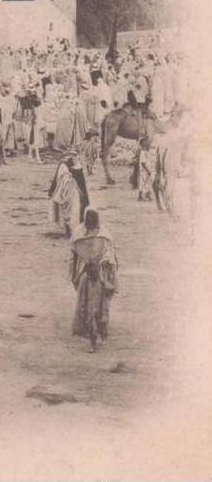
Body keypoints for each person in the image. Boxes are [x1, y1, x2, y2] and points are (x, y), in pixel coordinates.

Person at [70, 208, 119, 352]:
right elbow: (111, 260)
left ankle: (98, 335)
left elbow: (74, 259)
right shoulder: (102, 237)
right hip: (94, 278)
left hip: (95, 278)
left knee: (94, 308)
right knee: (96, 308)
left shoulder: (81, 237)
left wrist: (77, 275)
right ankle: (96, 336)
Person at [48, 154, 89, 236]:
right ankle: (68, 229)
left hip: (72, 192)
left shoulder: (72, 167)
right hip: (65, 192)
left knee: (72, 211)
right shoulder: (64, 166)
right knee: (68, 211)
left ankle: (70, 229)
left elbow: (81, 184)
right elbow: (56, 180)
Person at [131, 136, 155, 201]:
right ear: (142, 144)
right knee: (143, 183)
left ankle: (148, 195)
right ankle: (140, 196)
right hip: (144, 170)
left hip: (148, 169)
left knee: (148, 183)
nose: (147, 143)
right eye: (146, 142)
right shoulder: (142, 152)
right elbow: (143, 162)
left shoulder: (147, 151)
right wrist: (148, 170)